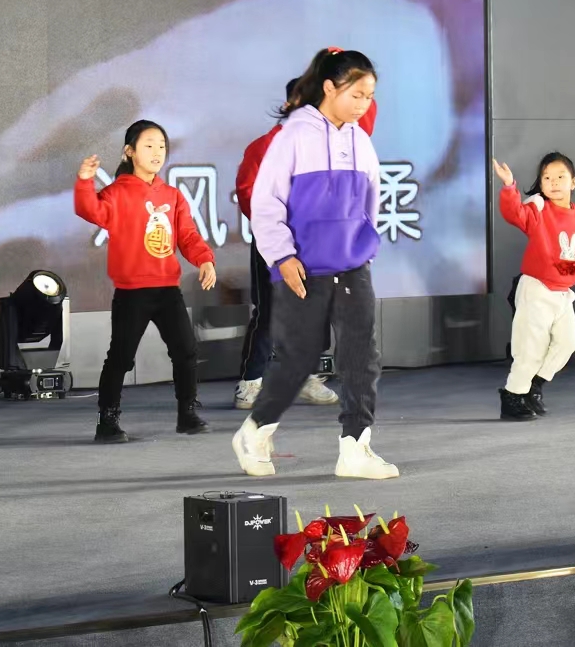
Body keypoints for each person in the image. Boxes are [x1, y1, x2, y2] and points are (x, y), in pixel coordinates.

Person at [232, 48, 397, 480]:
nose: (363, 105)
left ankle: (355, 447)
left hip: (352, 264)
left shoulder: (360, 141)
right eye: (357, 95)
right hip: (303, 265)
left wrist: (363, 245)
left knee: (361, 355)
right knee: (298, 357)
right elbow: (266, 202)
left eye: (369, 97)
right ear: (329, 87)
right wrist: (283, 256)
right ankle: (254, 431)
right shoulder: (293, 136)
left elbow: (371, 201)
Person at [232, 73, 378, 410]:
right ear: (290, 104)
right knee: (271, 311)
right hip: (277, 244)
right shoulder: (267, 145)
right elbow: (250, 193)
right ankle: (251, 381)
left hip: (320, 244)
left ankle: (308, 374)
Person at [74, 120, 217, 443]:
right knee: (121, 357)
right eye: (149, 145)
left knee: (186, 351)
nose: (157, 152)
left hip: (167, 290)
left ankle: (187, 413)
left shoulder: (172, 195)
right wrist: (84, 181)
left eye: (161, 146)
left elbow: (187, 235)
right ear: (130, 151)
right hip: (132, 292)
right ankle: (107, 420)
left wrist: (205, 259)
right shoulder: (117, 192)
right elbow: (90, 210)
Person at [492, 152, 575, 421]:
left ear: (573, 182)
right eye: (547, 178)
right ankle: (513, 396)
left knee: (569, 341)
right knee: (530, 347)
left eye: (560, 177)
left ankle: (534, 384)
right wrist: (509, 186)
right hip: (536, 289)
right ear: (541, 183)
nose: (554, 182)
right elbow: (514, 213)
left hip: (562, 294)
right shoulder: (538, 211)